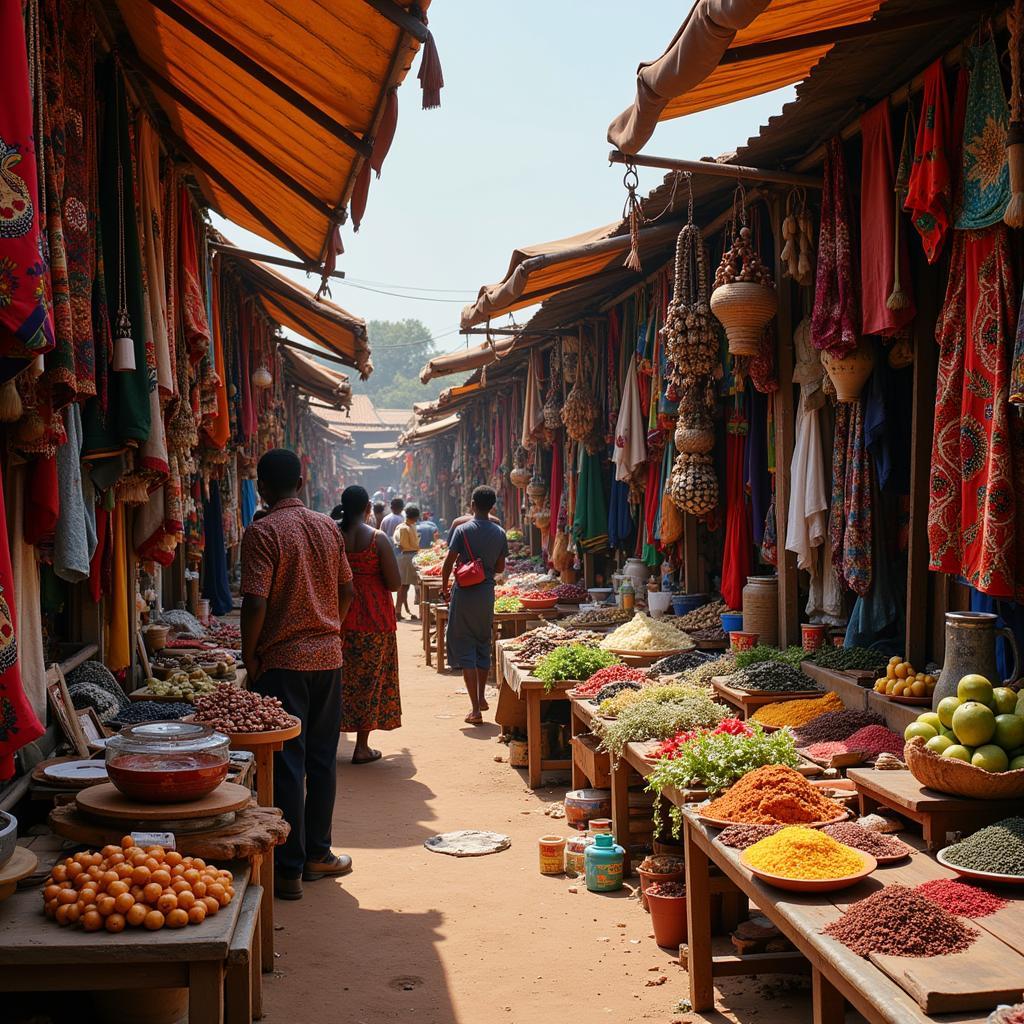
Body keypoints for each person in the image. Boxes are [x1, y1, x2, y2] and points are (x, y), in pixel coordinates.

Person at [240, 448, 354, 901]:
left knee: (287, 761)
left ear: (262, 488)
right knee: (322, 760)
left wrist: (250, 656)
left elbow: (255, 602)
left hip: (283, 662)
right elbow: (347, 590)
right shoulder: (328, 527)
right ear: (302, 483)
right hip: (328, 659)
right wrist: (331, 625)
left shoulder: (263, 531)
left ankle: (289, 869)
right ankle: (317, 854)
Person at [335, 486, 402, 765]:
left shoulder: (332, 535)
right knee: (369, 681)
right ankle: (361, 746)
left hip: (337, 616)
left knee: (338, 682)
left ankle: (328, 742)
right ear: (367, 509)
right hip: (374, 619)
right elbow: (396, 583)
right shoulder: (377, 539)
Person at [441, 486, 508, 725]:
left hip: (465, 593)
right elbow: (500, 568)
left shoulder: (462, 530)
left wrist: (445, 587)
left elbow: (448, 563)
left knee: (465, 645)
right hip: (486, 593)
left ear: (472, 504)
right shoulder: (500, 533)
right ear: (492, 506)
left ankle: (475, 709)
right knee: (483, 642)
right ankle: (481, 697)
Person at [393, 504, 422, 620]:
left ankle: (399, 611)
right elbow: (402, 545)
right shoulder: (404, 528)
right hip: (407, 558)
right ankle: (397, 611)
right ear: (415, 517)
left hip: (409, 556)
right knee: (404, 587)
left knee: (406, 586)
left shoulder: (409, 526)